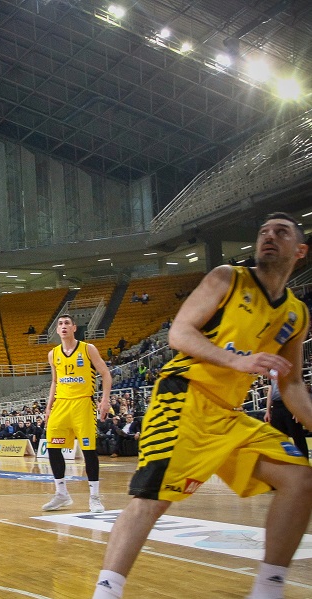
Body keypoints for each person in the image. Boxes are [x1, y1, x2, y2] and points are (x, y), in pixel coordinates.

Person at [92, 213, 312, 599]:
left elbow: (291, 382)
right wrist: (236, 362)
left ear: (300, 250)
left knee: (300, 479)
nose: (269, 237)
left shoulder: (296, 313)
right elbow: (179, 333)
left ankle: (267, 590)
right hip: (183, 398)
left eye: (281, 232)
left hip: (228, 414)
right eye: (263, 232)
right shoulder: (227, 278)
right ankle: (106, 593)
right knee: (150, 502)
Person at [43, 314, 111, 513]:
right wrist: (48, 407)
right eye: (60, 324)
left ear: (74, 328)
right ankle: (61, 494)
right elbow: (55, 382)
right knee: (53, 448)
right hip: (61, 406)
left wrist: (105, 399)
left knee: (89, 451)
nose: (63, 326)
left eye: (67, 323)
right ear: (57, 330)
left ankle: (95, 497)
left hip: (83, 404)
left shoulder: (88, 349)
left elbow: (105, 374)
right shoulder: (52, 354)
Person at [265, 379, 309, 459]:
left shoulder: (291, 367)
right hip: (276, 406)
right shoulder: (271, 370)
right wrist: (267, 410)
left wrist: (298, 409)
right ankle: (283, 461)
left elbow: (299, 387)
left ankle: (305, 462)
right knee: (278, 437)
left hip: (290, 404)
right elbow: (270, 391)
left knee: (297, 436)